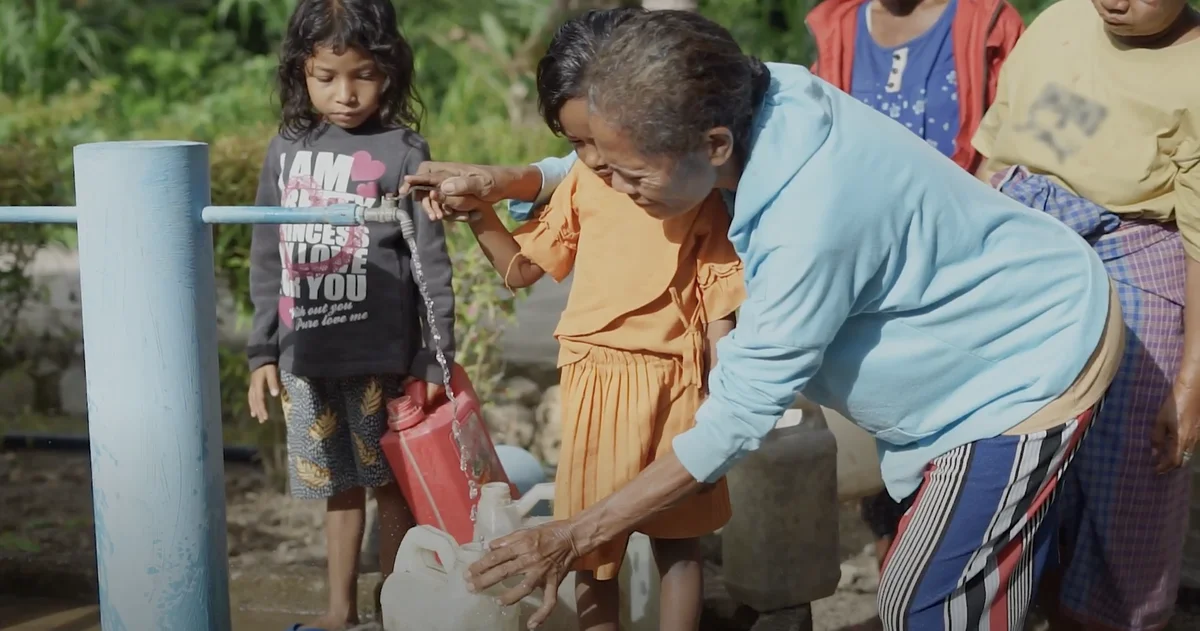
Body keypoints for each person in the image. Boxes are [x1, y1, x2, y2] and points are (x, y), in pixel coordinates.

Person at [403, 10, 1128, 631]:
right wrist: (509, 180)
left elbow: (733, 420)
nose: (610, 186)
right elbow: (606, 158)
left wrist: (574, 534)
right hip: (965, 355)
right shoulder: (752, 90)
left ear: (713, 146)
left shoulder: (807, 223)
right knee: (963, 577)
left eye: (628, 176)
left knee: (929, 598)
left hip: (1025, 366)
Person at [420, 9, 743, 630]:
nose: (594, 159)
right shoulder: (583, 187)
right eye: (578, 145)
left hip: (675, 384)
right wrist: (481, 212)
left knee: (678, 543)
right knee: (590, 551)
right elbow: (521, 271)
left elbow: (718, 297)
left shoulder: (689, 187)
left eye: (598, 138)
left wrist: (717, 394)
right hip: (593, 380)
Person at [971, 0, 1200, 629]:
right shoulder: (1061, 22)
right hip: (1023, 250)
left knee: (1128, 480)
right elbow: (996, 156)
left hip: (1133, 267)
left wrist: (1188, 383)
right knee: (1024, 468)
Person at [243, 0, 455, 628]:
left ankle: (395, 608)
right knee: (338, 486)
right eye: (325, 77)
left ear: (388, 72)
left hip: (381, 358)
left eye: (362, 74)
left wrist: (435, 354)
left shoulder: (405, 151)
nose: (345, 94)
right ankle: (338, 613)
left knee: (391, 484)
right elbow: (265, 252)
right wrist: (261, 351)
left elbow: (431, 263)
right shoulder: (286, 148)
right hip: (306, 355)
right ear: (300, 74)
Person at [806, 0, 1024, 571]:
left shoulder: (986, 22)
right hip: (863, 262)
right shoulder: (839, 25)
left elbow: (1013, 136)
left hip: (957, 257)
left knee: (954, 424)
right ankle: (896, 591)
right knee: (880, 419)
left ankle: (945, 580)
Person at [807, 0, 1023, 172]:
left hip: (964, 211)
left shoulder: (989, 22)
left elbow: (1022, 124)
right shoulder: (837, 30)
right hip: (866, 214)